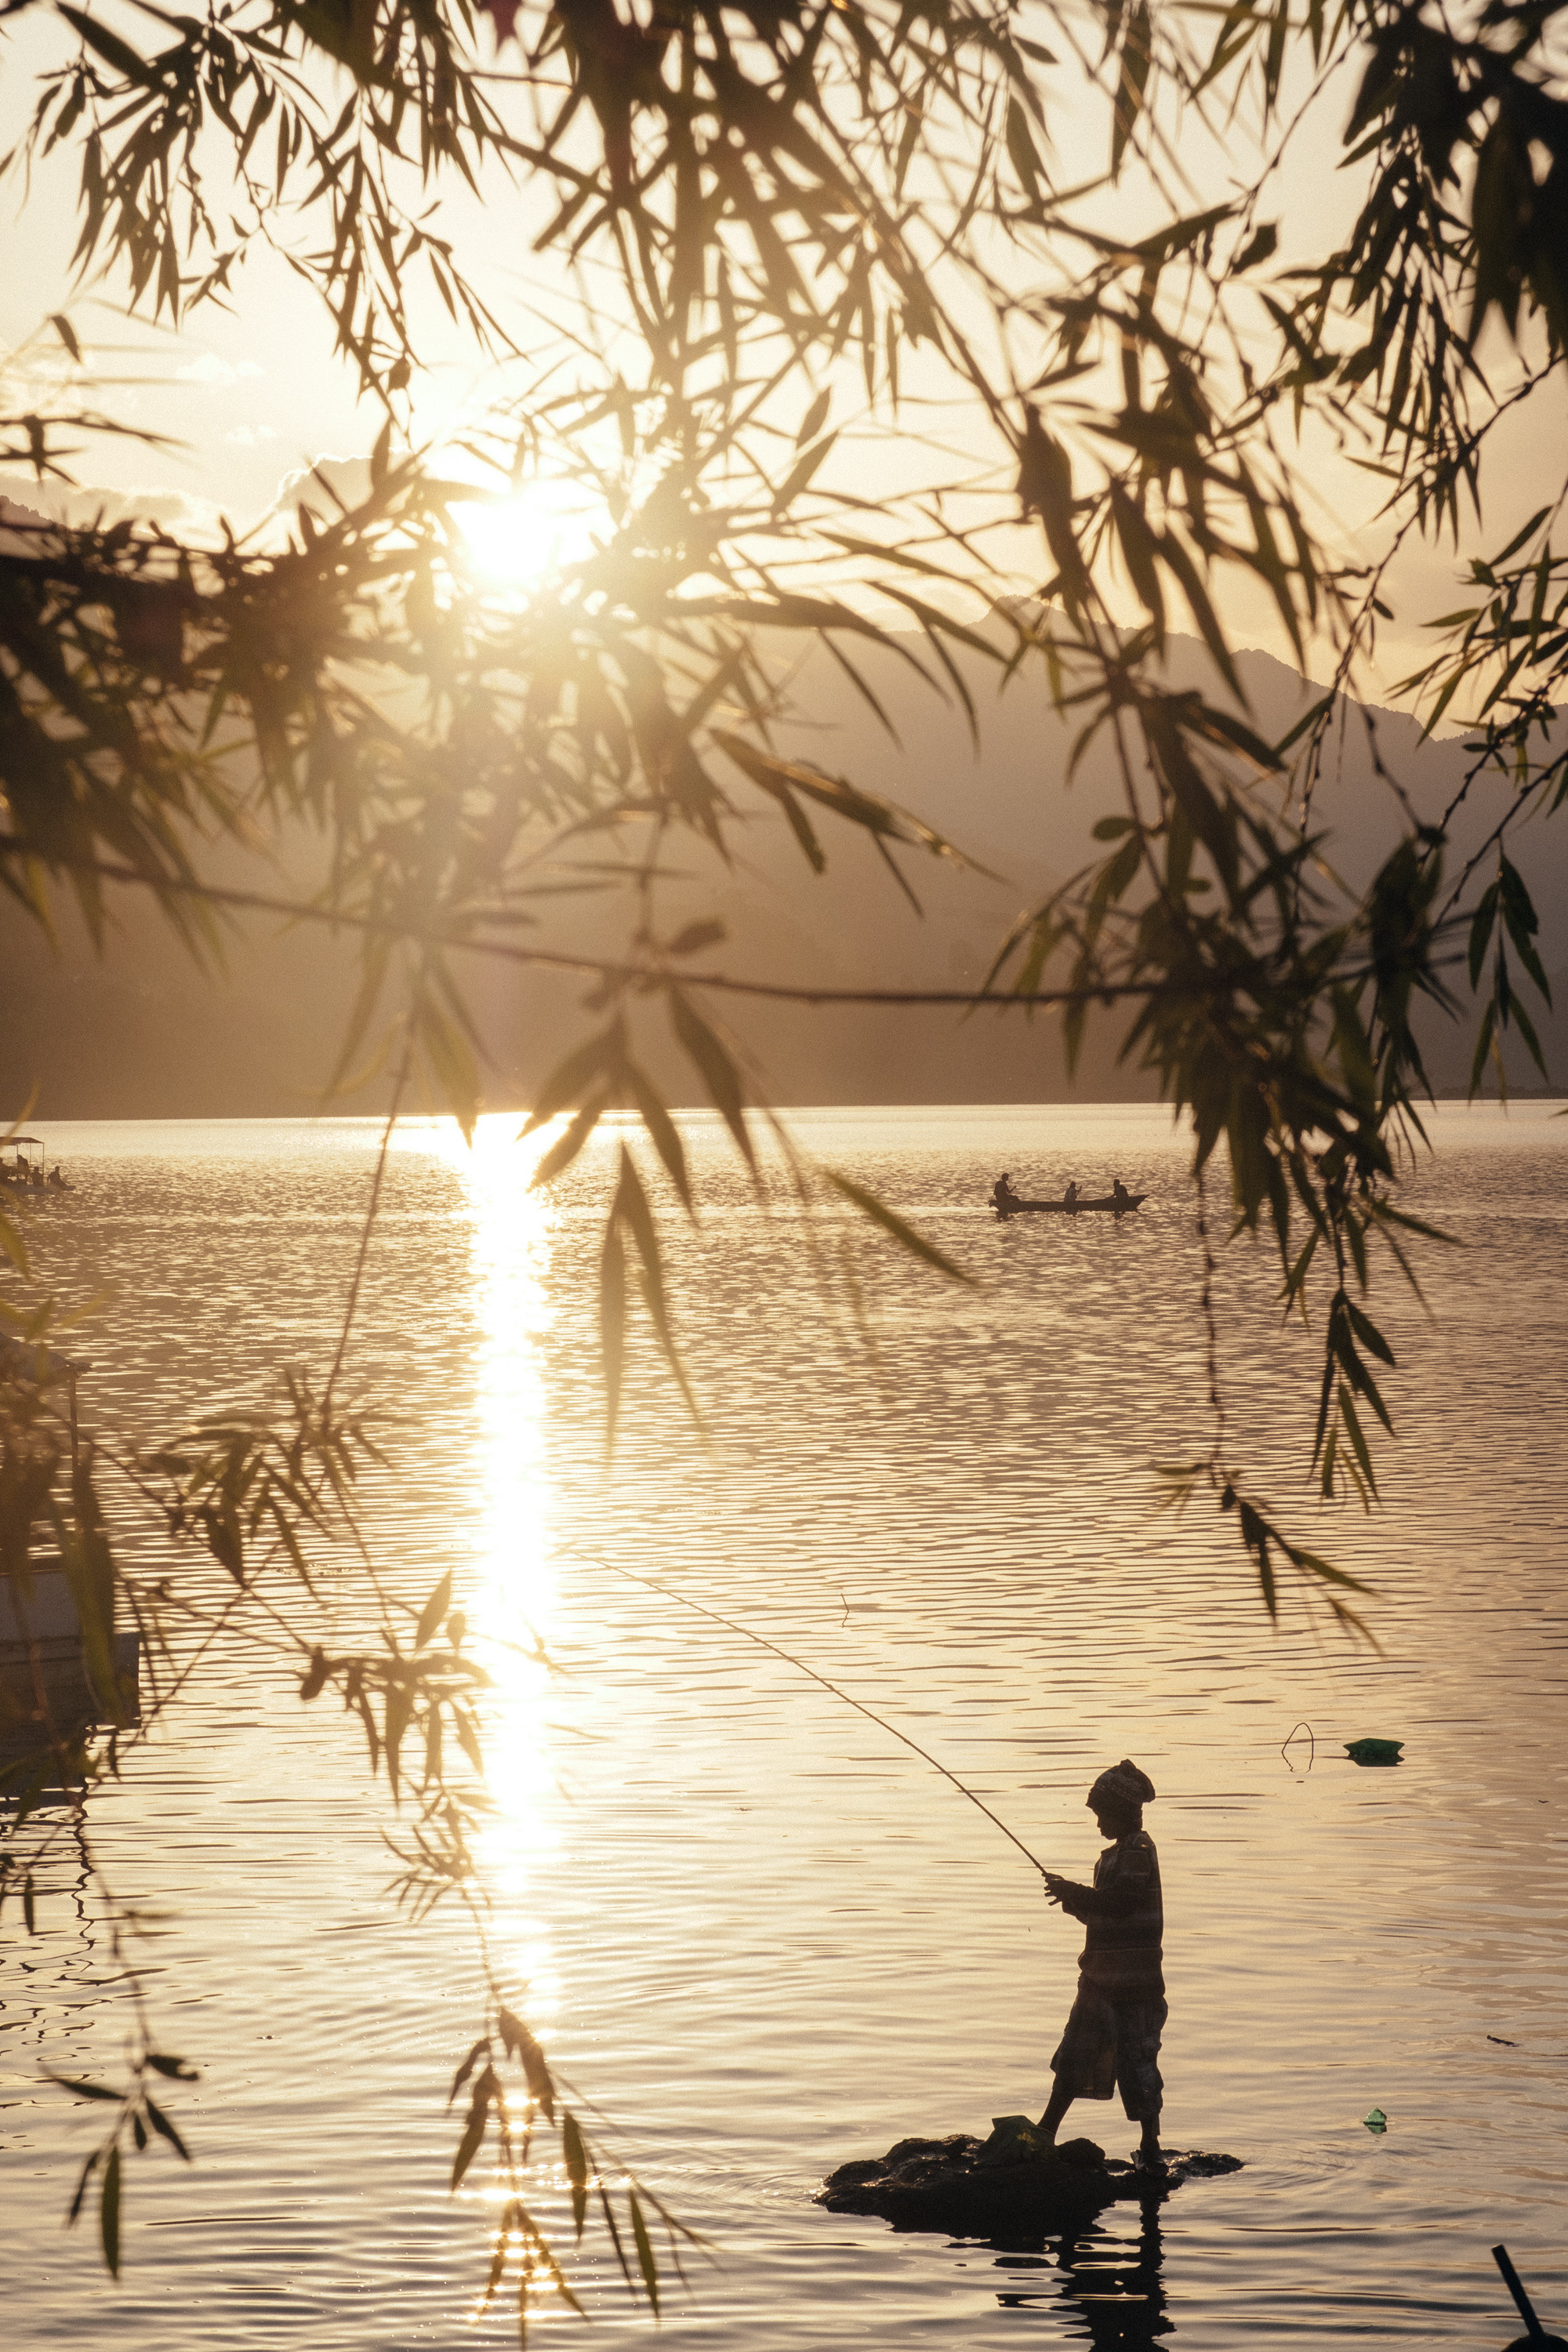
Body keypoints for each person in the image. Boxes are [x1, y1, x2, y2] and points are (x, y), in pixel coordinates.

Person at [1040, 1759, 1165, 2169]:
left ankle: (1150, 2145)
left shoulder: (1138, 1852)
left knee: (1137, 2063)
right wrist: (1073, 1901)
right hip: (1098, 1978)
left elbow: (1123, 1906)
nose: (1097, 1824)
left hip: (1136, 1985)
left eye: (1101, 1815)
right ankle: (1046, 2131)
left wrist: (1077, 1892)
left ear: (1125, 1811)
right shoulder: (1110, 1857)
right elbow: (1103, 1914)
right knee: (1074, 2054)